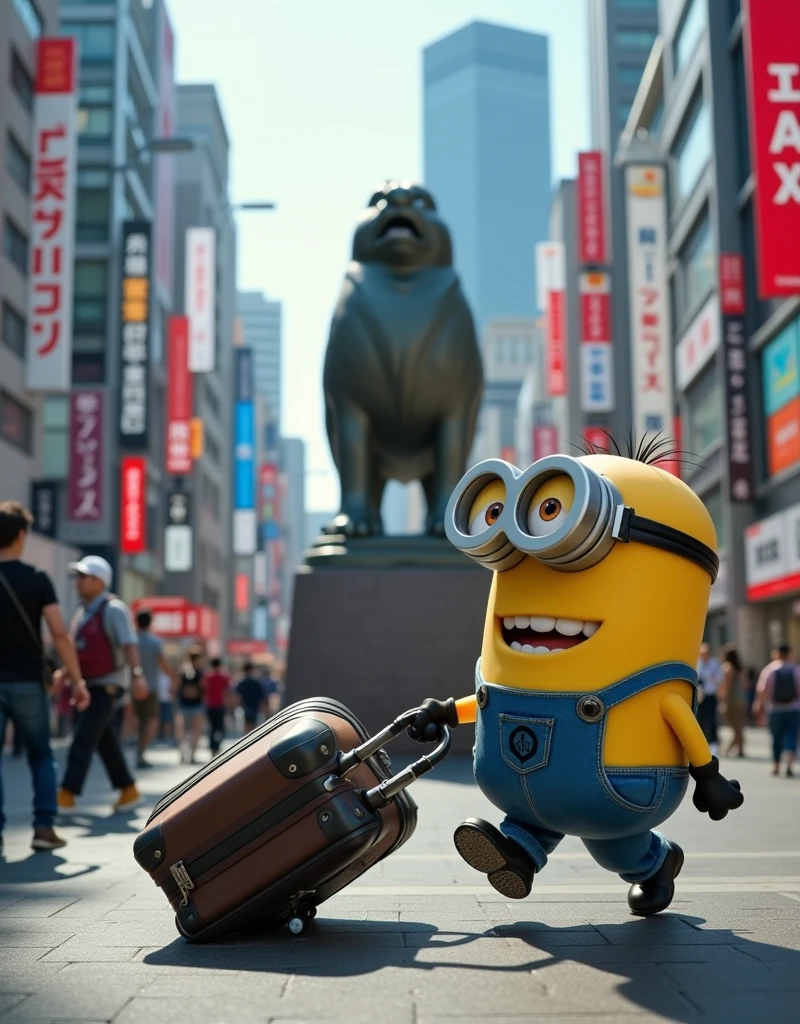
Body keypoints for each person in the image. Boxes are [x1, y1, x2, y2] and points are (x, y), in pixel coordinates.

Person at [0, 501, 89, 852]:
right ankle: (43, 828)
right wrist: (78, 680)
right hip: (26, 681)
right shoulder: (37, 579)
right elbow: (59, 633)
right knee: (40, 754)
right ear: (21, 534)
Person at [57, 556, 145, 812]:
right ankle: (128, 790)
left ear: (99, 581)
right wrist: (65, 674)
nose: (79, 582)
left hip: (107, 685)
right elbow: (76, 650)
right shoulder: (83, 611)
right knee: (104, 740)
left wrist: (137, 675)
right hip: (88, 684)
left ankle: (66, 793)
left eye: (84, 577)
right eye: (78, 577)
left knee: (83, 737)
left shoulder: (114, 608)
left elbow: (129, 644)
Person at [134, 611, 177, 768]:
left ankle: (140, 749)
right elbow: (162, 663)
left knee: (140, 720)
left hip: (133, 686)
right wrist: (174, 678)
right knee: (152, 720)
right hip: (151, 686)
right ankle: (141, 750)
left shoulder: (132, 640)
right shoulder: (155, 642)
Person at [754, 643, 800, 778]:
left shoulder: (770, 670)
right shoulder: (796, 669)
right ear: (790, 653)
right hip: (793, 708)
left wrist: (759, 705)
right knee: (792, 735)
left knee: (776, 737)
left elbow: (762, 690)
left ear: (776, 653)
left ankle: (776, 764)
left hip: (775, 709)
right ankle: (790, 763)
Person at [175, 648, 206, 763]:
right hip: (194, 704)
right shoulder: (198, 672)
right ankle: (191, 754)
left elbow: (176, 687)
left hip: (185, 703)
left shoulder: (183, 671)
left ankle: (184, 753)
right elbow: (204, 687)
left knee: (182, 730)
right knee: (195, 730)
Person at [719, 644, 747, 758]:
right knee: (739, 725)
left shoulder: (727, 667)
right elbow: (745, 684)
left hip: (732, 700)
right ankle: (740, 748)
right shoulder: (740, 668)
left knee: (734, 726)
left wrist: (724, 701)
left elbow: (726, 686)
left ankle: (728, 749)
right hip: (741, 699)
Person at [696, 643, 723, 756]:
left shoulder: (714, 664)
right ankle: (701, 744)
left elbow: (719, 680)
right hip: (699, 697)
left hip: (710, 696)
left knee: (712, 720)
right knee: (699, 720)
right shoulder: (698, 664)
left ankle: (713, 744)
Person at [203, 657, 230, 757]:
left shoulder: (207, 677)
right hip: (220, 705)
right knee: (221, 728)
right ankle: (217, 746)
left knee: (212, 728)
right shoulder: (224, 677)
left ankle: (212, 749)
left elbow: (204, 690)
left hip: (209, 705)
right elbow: (227, 691)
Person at [236, 662, 266, 734]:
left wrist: (238, 704)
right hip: (254, 706)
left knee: (246, 724)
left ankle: (246, 738)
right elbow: (262, 696)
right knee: (253, 725)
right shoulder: (256, 682)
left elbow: (238, 696)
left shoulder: (242, 682)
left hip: (245, 706)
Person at [158, 669, 175, 743]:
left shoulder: (169, 677)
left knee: (167, 718)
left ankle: (167, 734)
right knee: (159, 718)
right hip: (159, 701)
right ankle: (161, 733)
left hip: (167, 700)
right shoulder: (158, 676)